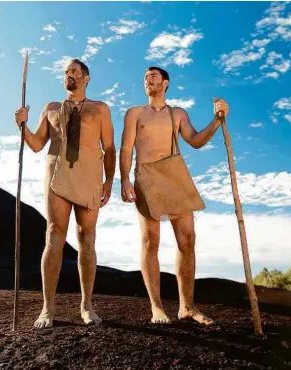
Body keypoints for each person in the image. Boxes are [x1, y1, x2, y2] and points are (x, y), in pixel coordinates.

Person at [119, 66, 229, 325]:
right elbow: (126, 148)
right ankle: (157, 308)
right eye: (145, 76)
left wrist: (217, 120)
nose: (148, 79)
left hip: (174, 172)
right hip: (146, 174)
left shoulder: (177, 113)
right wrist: (124, 178)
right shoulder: (134, 113)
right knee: (150, 241)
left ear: (165, 83)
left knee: (188, 239)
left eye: (154, 76)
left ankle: (187, 307)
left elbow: (196, 140)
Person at [15, 58, 116, 329]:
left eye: (74, 71)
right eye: (65, 72)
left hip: (90, 174)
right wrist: (23, 126)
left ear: (86, 78)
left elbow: (110, 147)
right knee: (54, 234)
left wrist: (109, 181)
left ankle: (87, 306)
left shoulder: (100, 109)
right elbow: (37, 144)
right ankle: (47, 308)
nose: (69, 74)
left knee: (87, 238)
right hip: (57, 173)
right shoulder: (50, 108)